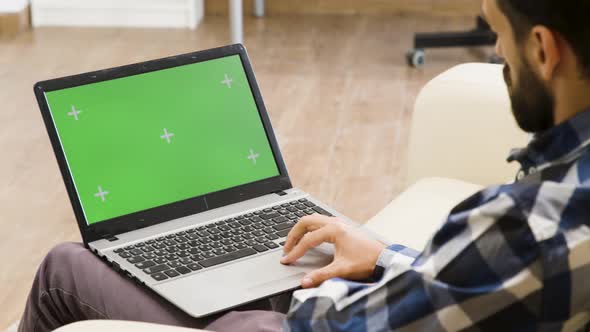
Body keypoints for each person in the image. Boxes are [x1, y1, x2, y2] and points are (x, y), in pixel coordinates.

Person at [18, 0, 590, 330]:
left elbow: (334, 326)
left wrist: (289, 296)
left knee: (63, 268)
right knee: (286, 264)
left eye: (498, 34)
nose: (496, 53)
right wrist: (382, 257)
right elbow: (466, 289)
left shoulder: (529, 228)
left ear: (543, 47)